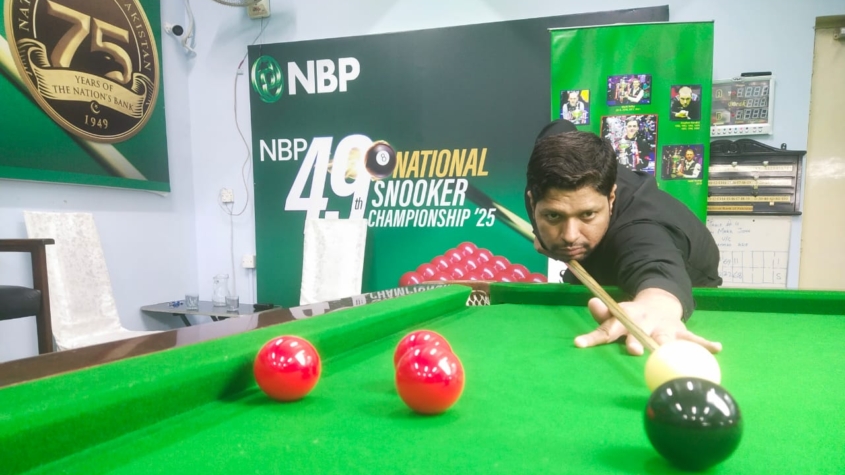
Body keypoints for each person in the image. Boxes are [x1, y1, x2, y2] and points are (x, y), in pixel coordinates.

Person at [524, 119, 722, 356]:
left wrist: (658, 306)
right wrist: (541, 232)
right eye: (554, 216)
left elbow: (657, 267)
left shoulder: (638, 230)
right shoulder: (546, 172)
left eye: (587, 214)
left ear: (611, 198)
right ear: (533, 202)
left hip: (687, 273)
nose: (569, 236)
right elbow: (560, 127)